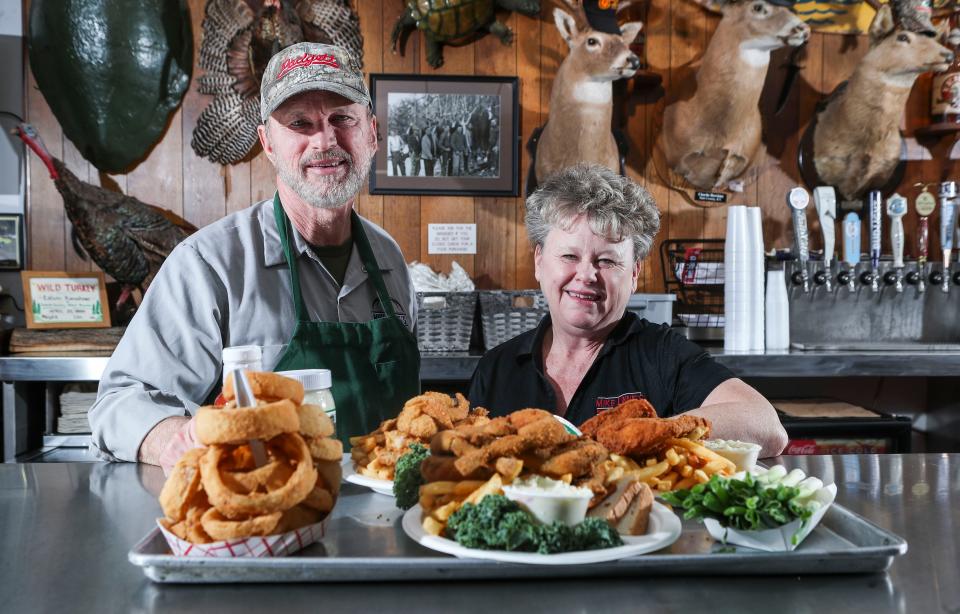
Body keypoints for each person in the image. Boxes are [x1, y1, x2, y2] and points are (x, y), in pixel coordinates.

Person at [89, 42, 421, 468]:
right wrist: (173, 438)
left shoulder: (389, 258)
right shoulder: (210, 264)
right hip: (267, 517)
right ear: (267, 142)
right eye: (299, 123)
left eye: (342, 118)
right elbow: (119, 402)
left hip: (383, 522)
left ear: (371, 133)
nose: (325, 139)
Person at [467, 164, 788, 457]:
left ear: (633, 274)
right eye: (569, 256)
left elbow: (767, 427)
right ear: (539, 261)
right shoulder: (498, 368)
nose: (586, 275)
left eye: (606, 260)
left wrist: (647, 433)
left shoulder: (661, 354)